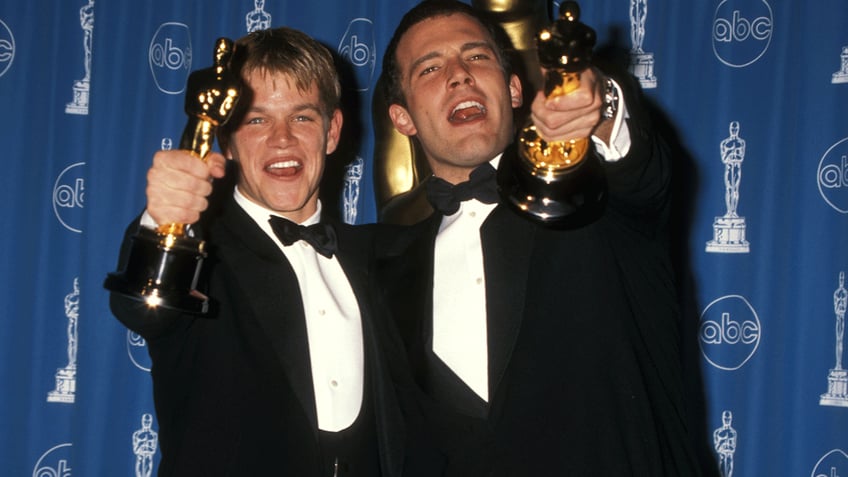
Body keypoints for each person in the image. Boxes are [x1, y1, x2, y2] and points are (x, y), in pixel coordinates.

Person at [376, 0, 702, 474]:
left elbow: (640, 173)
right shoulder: (385, 265)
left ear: (513, 89)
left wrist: (597, 106)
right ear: (402, 118)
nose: (460, 74)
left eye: (478, 56)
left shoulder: (595, 201)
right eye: (430, 68)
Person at [109, 27, 439, 477]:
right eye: (257, 120)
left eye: (302, 118)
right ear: (228, 138)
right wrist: (164, 222)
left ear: (332, 131)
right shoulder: (201, 251)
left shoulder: (380, 256)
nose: (282, 139)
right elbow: (141, 310)